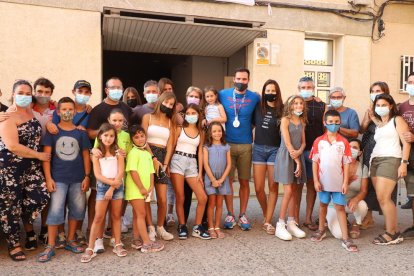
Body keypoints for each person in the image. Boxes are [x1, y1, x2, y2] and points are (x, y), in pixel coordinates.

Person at [0, 80, 51, 261]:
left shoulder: (30, 111)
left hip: (30, 166)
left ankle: (26, 226)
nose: (24, 96)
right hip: (10, 167)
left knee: (40, 195)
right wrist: (38, 156)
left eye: (27, 93)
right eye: (20, 92)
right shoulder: (7, 116)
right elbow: (13, 146)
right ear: (13, 94)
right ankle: (14, 245)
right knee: (10, 207)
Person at [38, 97, 91, 262]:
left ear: (74, 112)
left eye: (70, 109)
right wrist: (48, 178)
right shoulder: (52, 133)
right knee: (55, 211)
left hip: (78, 178)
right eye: (64, 109)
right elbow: (46, 157)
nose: (67, 112)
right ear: (58, 112)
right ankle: (51, 245)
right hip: (58, 179)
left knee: (77, 209)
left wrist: (87, 176)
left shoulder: (80, 133)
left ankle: (70, 240)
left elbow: (86, 156)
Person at [86, 77, 132, 243]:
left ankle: (113, 232)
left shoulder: (126, 108)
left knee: (119, 197)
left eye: (119, 87)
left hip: (119, 164)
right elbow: (90, 132)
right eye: (113, 87)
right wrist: (105, 136)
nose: (116, 90)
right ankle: (94, 230)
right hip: (102, 160)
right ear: (106, 90)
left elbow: (131, 133)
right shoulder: (98, 110)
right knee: (97, 195)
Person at [310, 109, 357, 252]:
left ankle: (346, 238)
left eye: (337, 122)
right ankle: (321, 230)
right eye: (330, 122)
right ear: (325, 123)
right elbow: (315, 162)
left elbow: (347, 163)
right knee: (323, 205)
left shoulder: (344, 143)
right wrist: (316, 181)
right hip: (323, 182)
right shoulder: (319, 141)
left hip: (338, 183)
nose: (334, 125)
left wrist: (345, 182)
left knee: (340, 208)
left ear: (340, 123)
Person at [219, 68, 260, 231]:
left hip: (245, 145)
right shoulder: (222, 94)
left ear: (248, 80)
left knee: (244, 181)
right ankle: (230, 213)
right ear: (233, 79)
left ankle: (242, 214)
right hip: (226, 144)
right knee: (228, 181)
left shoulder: (255, 97)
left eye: (244, 79)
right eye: (238, 79)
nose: (241, 82)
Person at [81, 123, 126, 263]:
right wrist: (109, 186)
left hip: (116, 187)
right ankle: (90, 247)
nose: (108, 138)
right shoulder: (96, 154)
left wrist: (112, 188)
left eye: (112, 136)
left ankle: (117, 244)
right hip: (102, 187)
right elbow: (98, 175)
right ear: (100, 136)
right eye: (106, 135)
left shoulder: (118, 152)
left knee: (116, 216)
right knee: (98, 217)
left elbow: (120, 172)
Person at [370, 94, 410, 245]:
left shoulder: (397, 120)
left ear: (391, 105)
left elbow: (406, 143)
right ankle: (392, 229)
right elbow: (379, 127)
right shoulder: (380, 124)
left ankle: (392, 233)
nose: (380, 108)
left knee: (384, 197)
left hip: (390, 159)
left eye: (383, 105)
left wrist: (403, 163)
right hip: (375, 160)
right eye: (377, 105)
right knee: (381, 198)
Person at [91, 109, 131, 251]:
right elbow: (96, 150)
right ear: (109, 120)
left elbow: (129, 152)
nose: (117, 123)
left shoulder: (126, 135)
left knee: (116, 213)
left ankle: (115, 239)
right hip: (104, 179)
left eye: (120, 120)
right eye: (114, 120)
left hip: (119, 177)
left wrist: (125, 154)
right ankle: (98, 240)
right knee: (100, 214)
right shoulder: (103, 134)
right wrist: (92, 150)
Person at [170, 104, 210, 240]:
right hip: (177, 161)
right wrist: (167, 164)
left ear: (198, 115)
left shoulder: (201, 132)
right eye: (188, 113)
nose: (191, 115)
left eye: (194, 113)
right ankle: (182, 225)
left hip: (192, 163)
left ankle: (197, 227)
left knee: (203, 197)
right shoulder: (179, 129)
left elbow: (199, 151)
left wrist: (199, 172)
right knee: (180, 197)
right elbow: (172, 146)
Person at [359, 82, 395, 229]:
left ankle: (389, 221)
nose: (374, 93)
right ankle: (368, 216)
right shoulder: (370, 110)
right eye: (372, 91)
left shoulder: (391, 111)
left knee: (384, 188)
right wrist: (368, 118)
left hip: (385, 153)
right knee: (368, 185)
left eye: (378, 91)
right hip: (369, 150)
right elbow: (361, 129)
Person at [141, 92, 176, 241]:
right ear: (160, 101)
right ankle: (150, 228)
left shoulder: (171, 122)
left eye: (171, 104)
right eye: (166, 102)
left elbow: (170, 145)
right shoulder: (147, 117)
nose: (168, 106)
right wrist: (153, 158)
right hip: (147, 155)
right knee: (147, 197)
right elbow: (142, 139)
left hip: (163, 158)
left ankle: (160, 227)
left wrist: (165, 163)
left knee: (162, 198)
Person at [125, 125, 165, 252]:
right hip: (136, 189)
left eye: (142, 136)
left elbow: (151, 171)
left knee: (138, 215)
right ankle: (147, 243)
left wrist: (151, 185)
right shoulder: (133, 153)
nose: (140, 139)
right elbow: (133, 171)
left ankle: (137, 239)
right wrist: (141, 188)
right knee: (141, 214)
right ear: (132, 140)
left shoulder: (147, 153)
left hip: (146, 189)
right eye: (136, 137)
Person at [274, 95, 307, 240]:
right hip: (286, 156)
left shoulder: (302, 121)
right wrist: (298, 161)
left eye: (301, 103)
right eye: (295, 103)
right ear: (290, 105)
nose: (299, 105)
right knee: (287, 190)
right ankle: (280, 224)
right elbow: (288, 144)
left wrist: (300, 153)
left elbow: (304, 142)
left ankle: (291, 222)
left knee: (294, 190)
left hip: (297, 155)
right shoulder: (285, 120)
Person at [253, 80, 283, 235]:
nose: (270, 93)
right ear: (263, 92)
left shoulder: (282, 110)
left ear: (277, 92)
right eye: (268, 90)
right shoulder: (258, 107)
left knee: (273, 186)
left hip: (275, 150)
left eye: (273, 90)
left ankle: (267, 221)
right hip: (258, 148)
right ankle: (267, 213)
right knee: (258, 188)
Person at [297, 77, 325, 231]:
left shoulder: (321, 105)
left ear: (313, 88)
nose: (306, 89)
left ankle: (308, 218)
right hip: (298, 150)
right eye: (303, 87)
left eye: (308, 86)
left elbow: (325, 126)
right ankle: (294, 218)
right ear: (298, 88)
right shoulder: (294, 103)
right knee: (297, 186)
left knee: (311, 186)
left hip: (316, 151)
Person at [326, 138, 368, 239]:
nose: (351, 149)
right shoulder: (337, 165)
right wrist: (347, 180)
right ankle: (336, 219)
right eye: (349, 147)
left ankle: (355, 224)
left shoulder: (363, 168)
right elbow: (330, 188)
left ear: (360, 153)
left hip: (350, 203)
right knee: (340, 235)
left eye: (355, 148)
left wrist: (356, 199)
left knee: (362, 206)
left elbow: (364, 190)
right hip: (334, 204)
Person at [203, 122, 231, 239]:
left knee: (220, 204)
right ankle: (210, 227)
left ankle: (217, 226)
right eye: (214, 131)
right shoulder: (206, 147)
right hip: (211, 179)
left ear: (222, 132)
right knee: (212, 203)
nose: (217, 133)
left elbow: (229, 164)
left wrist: (222, 179)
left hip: (223, 178)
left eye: (219, 131)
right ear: (210, 133)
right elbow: (205, 164)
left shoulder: (226, 146)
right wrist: (213, 180)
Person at [400, 72, 414, 239]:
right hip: (407, 154)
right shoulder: (402, 107)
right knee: (412, 191)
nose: (412, 85)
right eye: (410, 82)